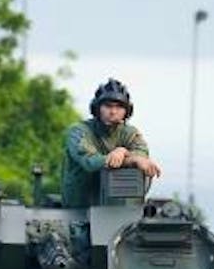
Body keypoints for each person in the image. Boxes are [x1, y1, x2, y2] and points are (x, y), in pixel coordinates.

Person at [61, 78, 162, 207]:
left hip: (117, 210)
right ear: (97, 108)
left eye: (119, 107)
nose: (113, 112)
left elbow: (141, 155)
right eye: (108, 106)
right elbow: (90, 162)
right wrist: (129, 158)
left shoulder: (130, 133)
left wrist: (122, 152)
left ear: (127, 111)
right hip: (78, 209)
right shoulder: (79, 131)